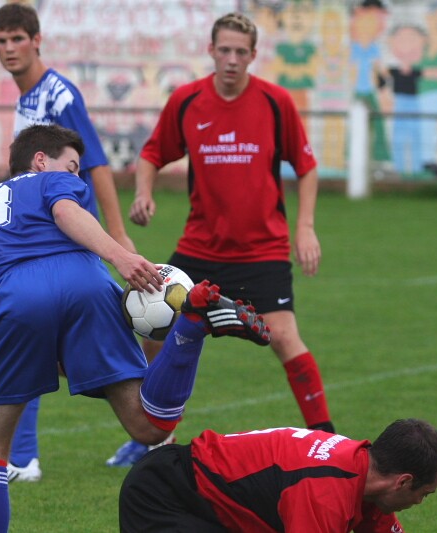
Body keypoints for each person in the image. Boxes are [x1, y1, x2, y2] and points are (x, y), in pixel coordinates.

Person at [0, 124, 271, 533]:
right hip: (86, 284)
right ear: (40, 161)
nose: (75, 176)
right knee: (150, 427)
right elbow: (65, 211)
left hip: (9, 298)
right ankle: (190, 327)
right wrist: (120, 256)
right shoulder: (52, 181)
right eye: (72, 167)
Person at [110, 11, 334, 467]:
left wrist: (305, 226)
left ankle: (329, 440)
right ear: (211, 51)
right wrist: (144, 193)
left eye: (241, 52)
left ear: (253, 55)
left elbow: (306, 166)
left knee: (284, 338)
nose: (232, 59)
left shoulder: (275, 102)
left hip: (262, 249)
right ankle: (152, 437)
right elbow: (152, 153)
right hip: (200, 247)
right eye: (225, 50)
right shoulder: (188, 100)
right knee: (154, 332)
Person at [0, 2, 137, 482]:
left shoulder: (58, 94)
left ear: (37, 41)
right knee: (40, 339)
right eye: (1, 41)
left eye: (17, 39)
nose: (9, 49)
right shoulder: (26, 97)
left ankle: (153, 427)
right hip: (40, 235)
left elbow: (95, 162)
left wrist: (117, 235)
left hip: (63, 234)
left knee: (35, 335)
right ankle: (26, 457)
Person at [120, 418, 437, 532]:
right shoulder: (324, 492)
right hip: (165, 494)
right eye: (424, 494)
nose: (420, 502)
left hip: (198, 494)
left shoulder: (365, 469)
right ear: (403, 481)